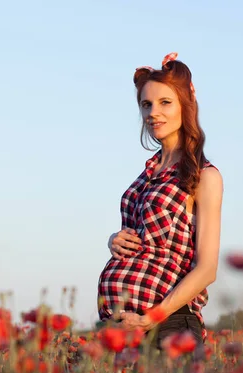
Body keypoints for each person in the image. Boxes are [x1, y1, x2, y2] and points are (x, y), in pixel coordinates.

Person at [97, 52, 223, 348]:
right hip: (127, 328)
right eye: (146, 104)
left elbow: (207, 269)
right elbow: (146, 242)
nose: (153, 112)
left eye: (165, 102)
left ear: (185, 105)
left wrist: (152, 316)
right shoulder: (146, 175)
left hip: (169, 325)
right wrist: (116, 239)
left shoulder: (204, 176)